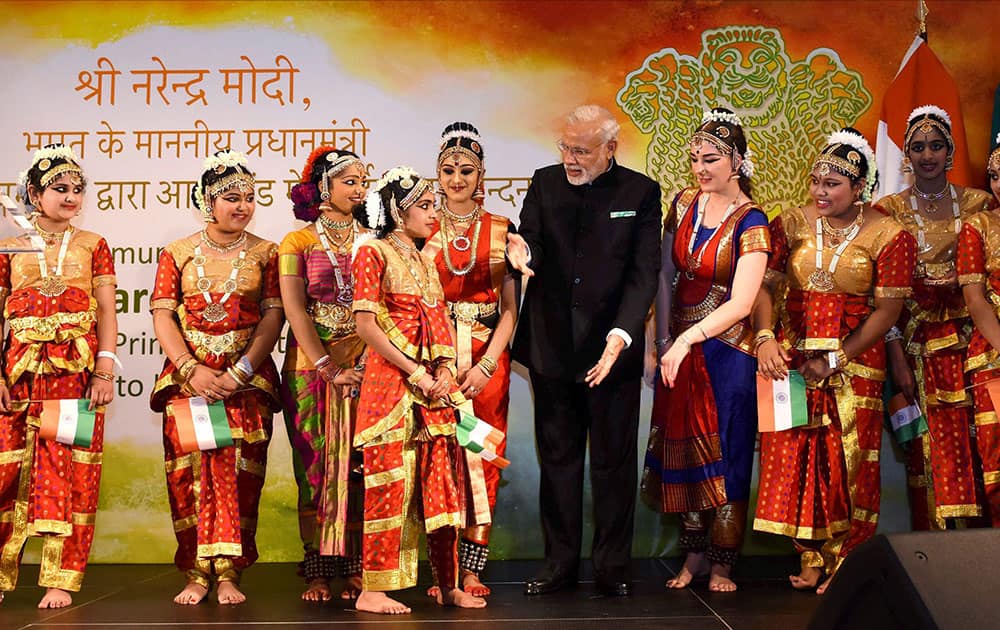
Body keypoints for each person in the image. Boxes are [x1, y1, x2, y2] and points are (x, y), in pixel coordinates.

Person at [506, 104, 662, 597]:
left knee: (614, 462)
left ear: (610, 149)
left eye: (582, 151)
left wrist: (620, 338)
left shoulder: (640, 192)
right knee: (558, 459)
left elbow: (643, 275)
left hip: (611, 349)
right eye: (565, 148)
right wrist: (519, 253)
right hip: (552, 347)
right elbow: (528, 239)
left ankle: (613, 565)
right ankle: (559, 564)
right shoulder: (544, 182)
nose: (570, 159)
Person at [753, 129, 916, 594]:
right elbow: (767, 287)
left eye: (833, 184)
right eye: (816, 182)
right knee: (800, 457)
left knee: (849, 461)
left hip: (856, 361)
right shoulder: (792, 223)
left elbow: (888, 311)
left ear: (860, 186)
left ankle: (847, 559)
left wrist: (837, 359)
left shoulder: (889, 232)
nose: (820, 192)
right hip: (796, 356)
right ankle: (810, 556)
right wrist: (766, 337)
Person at [643, 108, 769, 593]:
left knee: (727, 453)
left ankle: (722, 563)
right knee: (683, 456)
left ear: (737, 160)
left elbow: (741, 303)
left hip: (726, 352)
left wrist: (687, 340)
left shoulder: (753, 221)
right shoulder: (684, 203)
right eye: (694, 158)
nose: (700, 168)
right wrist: (661, 342)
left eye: (711, 159)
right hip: (679, 348)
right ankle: (692, 556)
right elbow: (662, 274)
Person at [351, 166, 487, 614]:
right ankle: (373, 590)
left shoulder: (426, 260)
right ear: (397, 210)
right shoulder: (372, 252)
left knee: (442, 490)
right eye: (425, 207)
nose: (434, 215)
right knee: (389, 486)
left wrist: (445, 369)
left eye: (433, 206)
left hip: (434, 394)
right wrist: (416, 372)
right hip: (391, 391)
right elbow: (367, 326)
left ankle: (448, 586)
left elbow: (439, 321)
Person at [150, 150, 284, 605]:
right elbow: (163, 316)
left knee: (241, 475)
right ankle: (195, 571)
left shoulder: (268, 252)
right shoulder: (177, 252)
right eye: (231, 197)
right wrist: (190, 368)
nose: (242, 206)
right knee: (190, 474)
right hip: (189, 379)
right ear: (208, 202)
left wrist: (241, 369)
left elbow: (273, 317)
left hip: (244, 380)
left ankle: (229, 573)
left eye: (249, 197)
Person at [0, 145, 118, 608]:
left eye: (77, 189)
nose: (71, 197)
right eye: (59, 188)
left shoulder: (94, 244)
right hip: (19, 373)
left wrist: (105, 367)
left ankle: (60, 579)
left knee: (68, 471)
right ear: (34, 192)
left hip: (74, 377)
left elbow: (107, 310)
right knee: (7, 471)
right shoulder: (8, 240)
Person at [875, 106, 992, 530]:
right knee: (925, 446)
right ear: (906, 156)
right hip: (913, 343)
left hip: (973, 341)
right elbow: (882, 291)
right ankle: (934, 550)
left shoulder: (980, 203)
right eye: (918, 147)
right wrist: (895, 354)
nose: (928, 155)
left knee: (981, 440)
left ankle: (982, 549)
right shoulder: (887, 210)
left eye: (936, 145)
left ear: (951, 151)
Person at [423, 122, 516, 597]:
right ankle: (442, 572)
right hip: (434, 362)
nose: (456, 179)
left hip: (485, 363)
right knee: (439, 456)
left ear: (482, 175)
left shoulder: (502, 230)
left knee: (481, 454)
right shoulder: (419, 228)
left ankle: (472, 568)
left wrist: (485, 366)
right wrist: (438, 365)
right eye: (447, 170)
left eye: (466, 170)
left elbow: (511, 311)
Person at [279, 147, 369, 601]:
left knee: (359, 467)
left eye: (363, 182)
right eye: (349, 181)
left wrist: (360, 364)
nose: (359, 189)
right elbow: (295, 310)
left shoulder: (373, 239)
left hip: (366, 365)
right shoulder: (297, 243)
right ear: (323, 187)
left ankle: (357, 564)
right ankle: (318, 568)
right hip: (308, 368)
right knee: (313, 466)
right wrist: (327, 366)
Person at [957, 134, 1000, 526]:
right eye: (996, 176)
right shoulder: (979, 226)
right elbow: (975, 300)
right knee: (996, 454)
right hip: (993, 354)